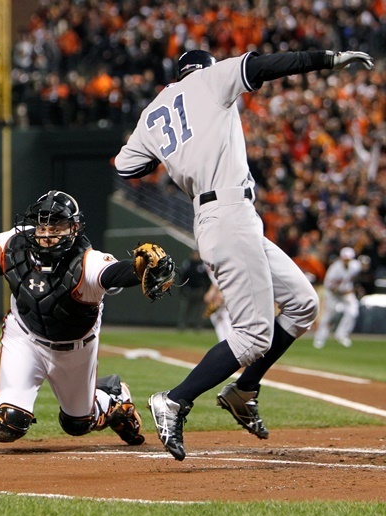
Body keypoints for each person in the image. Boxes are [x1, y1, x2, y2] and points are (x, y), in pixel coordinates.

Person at [114, 48, 374, 460]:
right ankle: (175, 400)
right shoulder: (212, 80)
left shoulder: (153, 111)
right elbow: (267, 66)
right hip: (228, 214)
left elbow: (126, 167)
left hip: (222, 215)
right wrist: (328, 59)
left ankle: (244, 390)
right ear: (206, 67)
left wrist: (173, 152)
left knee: (304, 304)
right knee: (254, 334)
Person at [0, 190, 172, 452]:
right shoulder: (12, 245)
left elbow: (115, 273)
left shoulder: (87, 261)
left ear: (74, 227)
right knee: (9, 423)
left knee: (78, 423)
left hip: (76, 346)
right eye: (42, 224)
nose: (48, 232)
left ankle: (114, 399)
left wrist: (138, 268)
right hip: (24, 338)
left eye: (57, 225)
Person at [313, 247, 362, 349]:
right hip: (333, 294)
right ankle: (319, 338)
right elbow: (330, 287)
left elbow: (356, 276)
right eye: (345, 259)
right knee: (329, 315)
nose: (347, 261)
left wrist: (353, 287)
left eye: (349, 259)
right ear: (341, 258)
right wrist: (346, 291)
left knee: (353, 311)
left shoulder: (355, 266)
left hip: (346, 290)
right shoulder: (334, 269)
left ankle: (342, 334)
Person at [177, 249, 211, 331]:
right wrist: (181, 289)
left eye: (197, 254)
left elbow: (207, 279)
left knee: (200, 310)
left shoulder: (203, 265)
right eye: (195, 254)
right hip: (189, 290)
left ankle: (198, 326)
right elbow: (183, 277)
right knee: (185, 309)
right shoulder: (187, 264)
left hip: (199, 290)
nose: (196, 256)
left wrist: (207, 290)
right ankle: (182, 325)